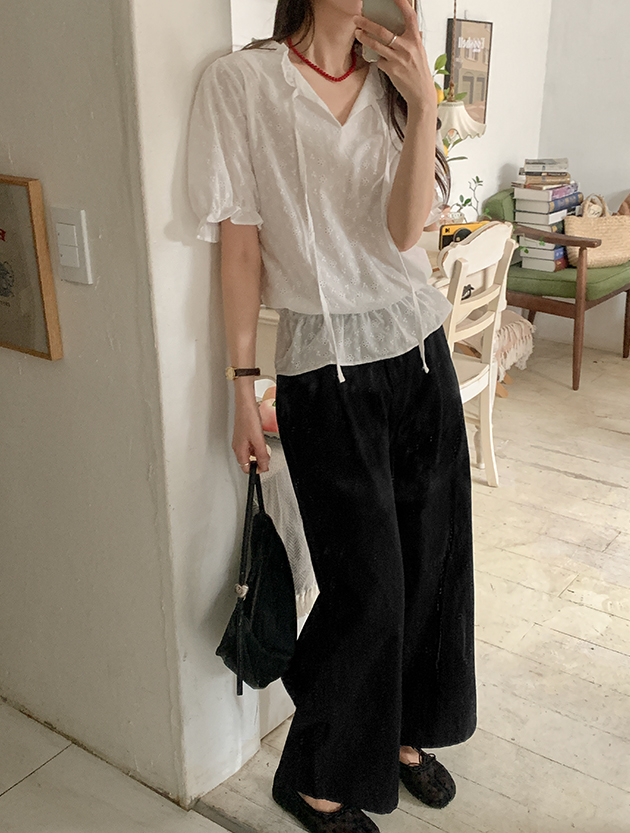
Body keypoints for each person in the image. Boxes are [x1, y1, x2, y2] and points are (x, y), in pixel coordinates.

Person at [188, 1, 476, 830]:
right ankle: (315, 772)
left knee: (432, 565)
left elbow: (403, 232)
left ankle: (404, 731)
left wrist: (423, 102)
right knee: (370, 588)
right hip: (325, 368)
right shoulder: (243, 83)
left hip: (419, 351)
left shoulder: (395, 86)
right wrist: (242, 387)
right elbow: (240, 246)